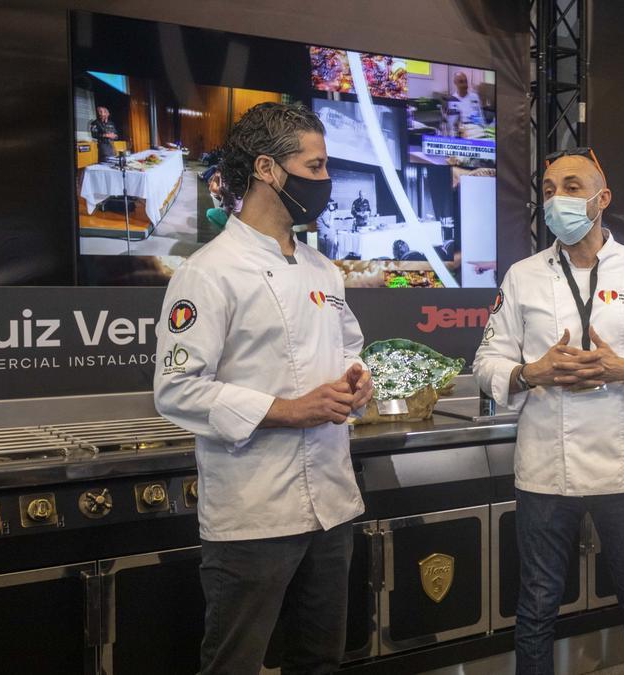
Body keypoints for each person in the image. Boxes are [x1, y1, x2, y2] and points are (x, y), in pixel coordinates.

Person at [153, 102, 373, 675]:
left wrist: (357, 380)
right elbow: (177, 389)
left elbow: (348, 348)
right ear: (269, 169)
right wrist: (288, 409)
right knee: (235, 665)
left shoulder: (323, 269)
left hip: (330, 504)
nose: (327, 182)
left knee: (321, 660)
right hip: (254, 514)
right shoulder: (208, 272)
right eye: (317, 166)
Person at [474, 147, 624, 674]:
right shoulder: (522, 275)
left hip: (623, 471)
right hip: (545, 470)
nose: (558, 200)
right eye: (549, 191)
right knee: (535, 608)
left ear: (603, 198)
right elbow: (487, 361)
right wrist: (533, 373)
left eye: (572, 187)